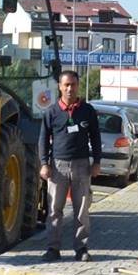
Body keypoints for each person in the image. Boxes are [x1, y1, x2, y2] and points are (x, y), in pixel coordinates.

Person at [38, 70, 101, 261]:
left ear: (78, 85)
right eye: (66, 85)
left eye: (73, 84)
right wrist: (44, 163)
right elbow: (43, 139)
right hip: (57, 166)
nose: (69, 88)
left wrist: (97, 161)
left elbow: (96, 137)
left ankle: (81, 249)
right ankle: (53, 248)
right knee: (55, 210)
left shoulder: (87, 111)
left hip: (82, 166)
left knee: (81, 209)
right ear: (59, 86)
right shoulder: (51, 112)